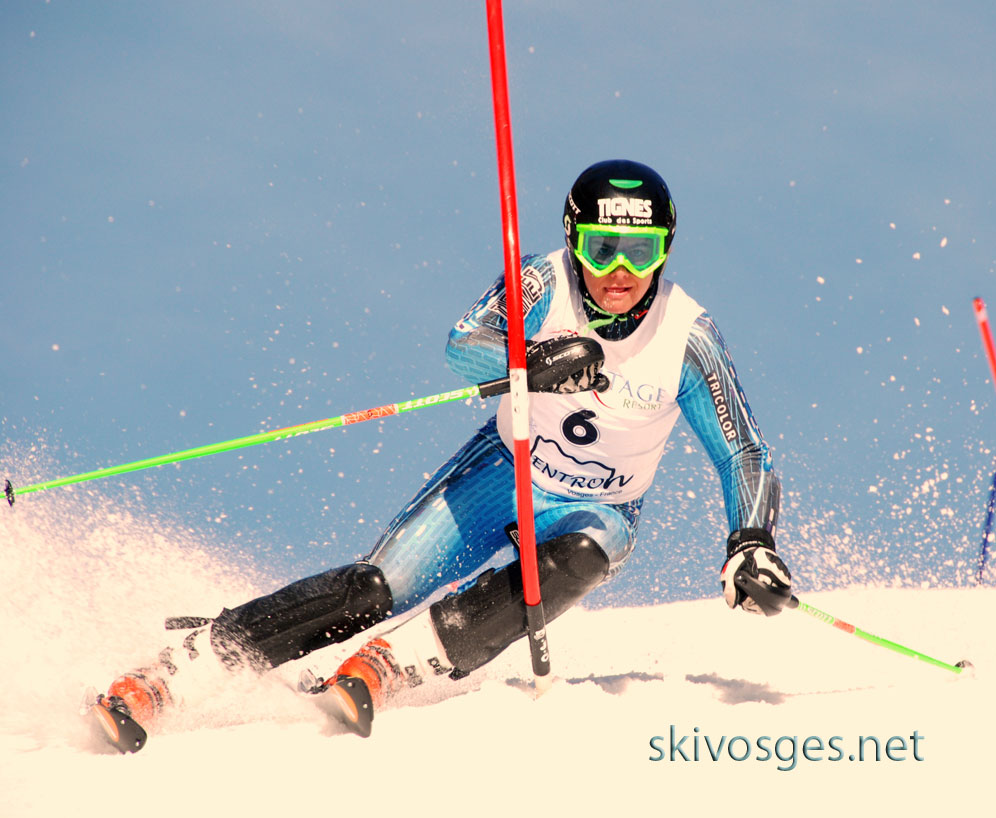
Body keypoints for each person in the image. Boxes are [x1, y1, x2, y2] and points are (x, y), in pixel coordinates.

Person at [95, 159, 791, 744]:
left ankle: (391, 664)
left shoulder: (687, 336)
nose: (619, 270)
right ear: (572, 239)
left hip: (598, 507)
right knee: (374, 588)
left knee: (582, 557)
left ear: (666, 249)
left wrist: (751, 543)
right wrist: (530, 359)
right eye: (600, 247)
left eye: (641, 251)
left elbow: (743, 452)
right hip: (503, 471)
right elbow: (463, 344)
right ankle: (176, 673)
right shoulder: (541, 282)